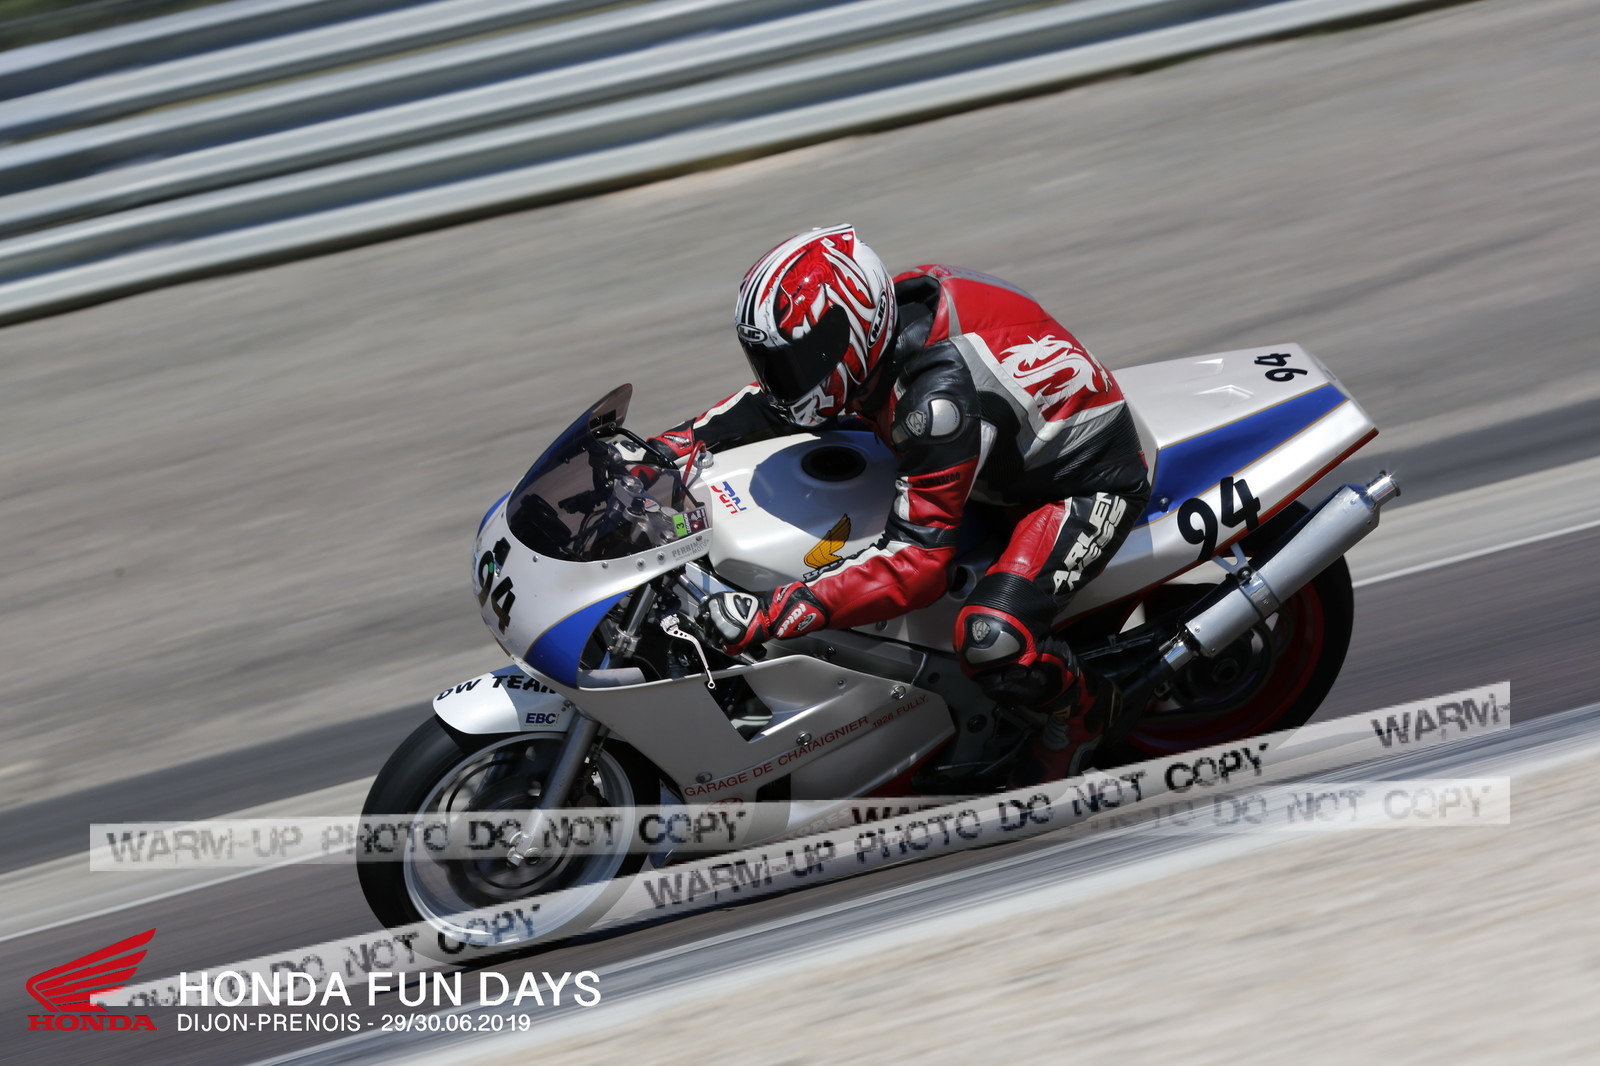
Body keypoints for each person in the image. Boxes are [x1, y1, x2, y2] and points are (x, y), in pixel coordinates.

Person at [650, 224, 1150, 783]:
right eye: (772, 364)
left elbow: (918, 565)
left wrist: (772, 612)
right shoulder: (874, 338)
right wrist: (666, 448)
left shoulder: (933, 403)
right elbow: (776, 405)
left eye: (796, 363)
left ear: (850, 333)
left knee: (992, 637)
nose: (782, 381)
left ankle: (1086, 713)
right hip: (992, 452)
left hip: (1081, 482)